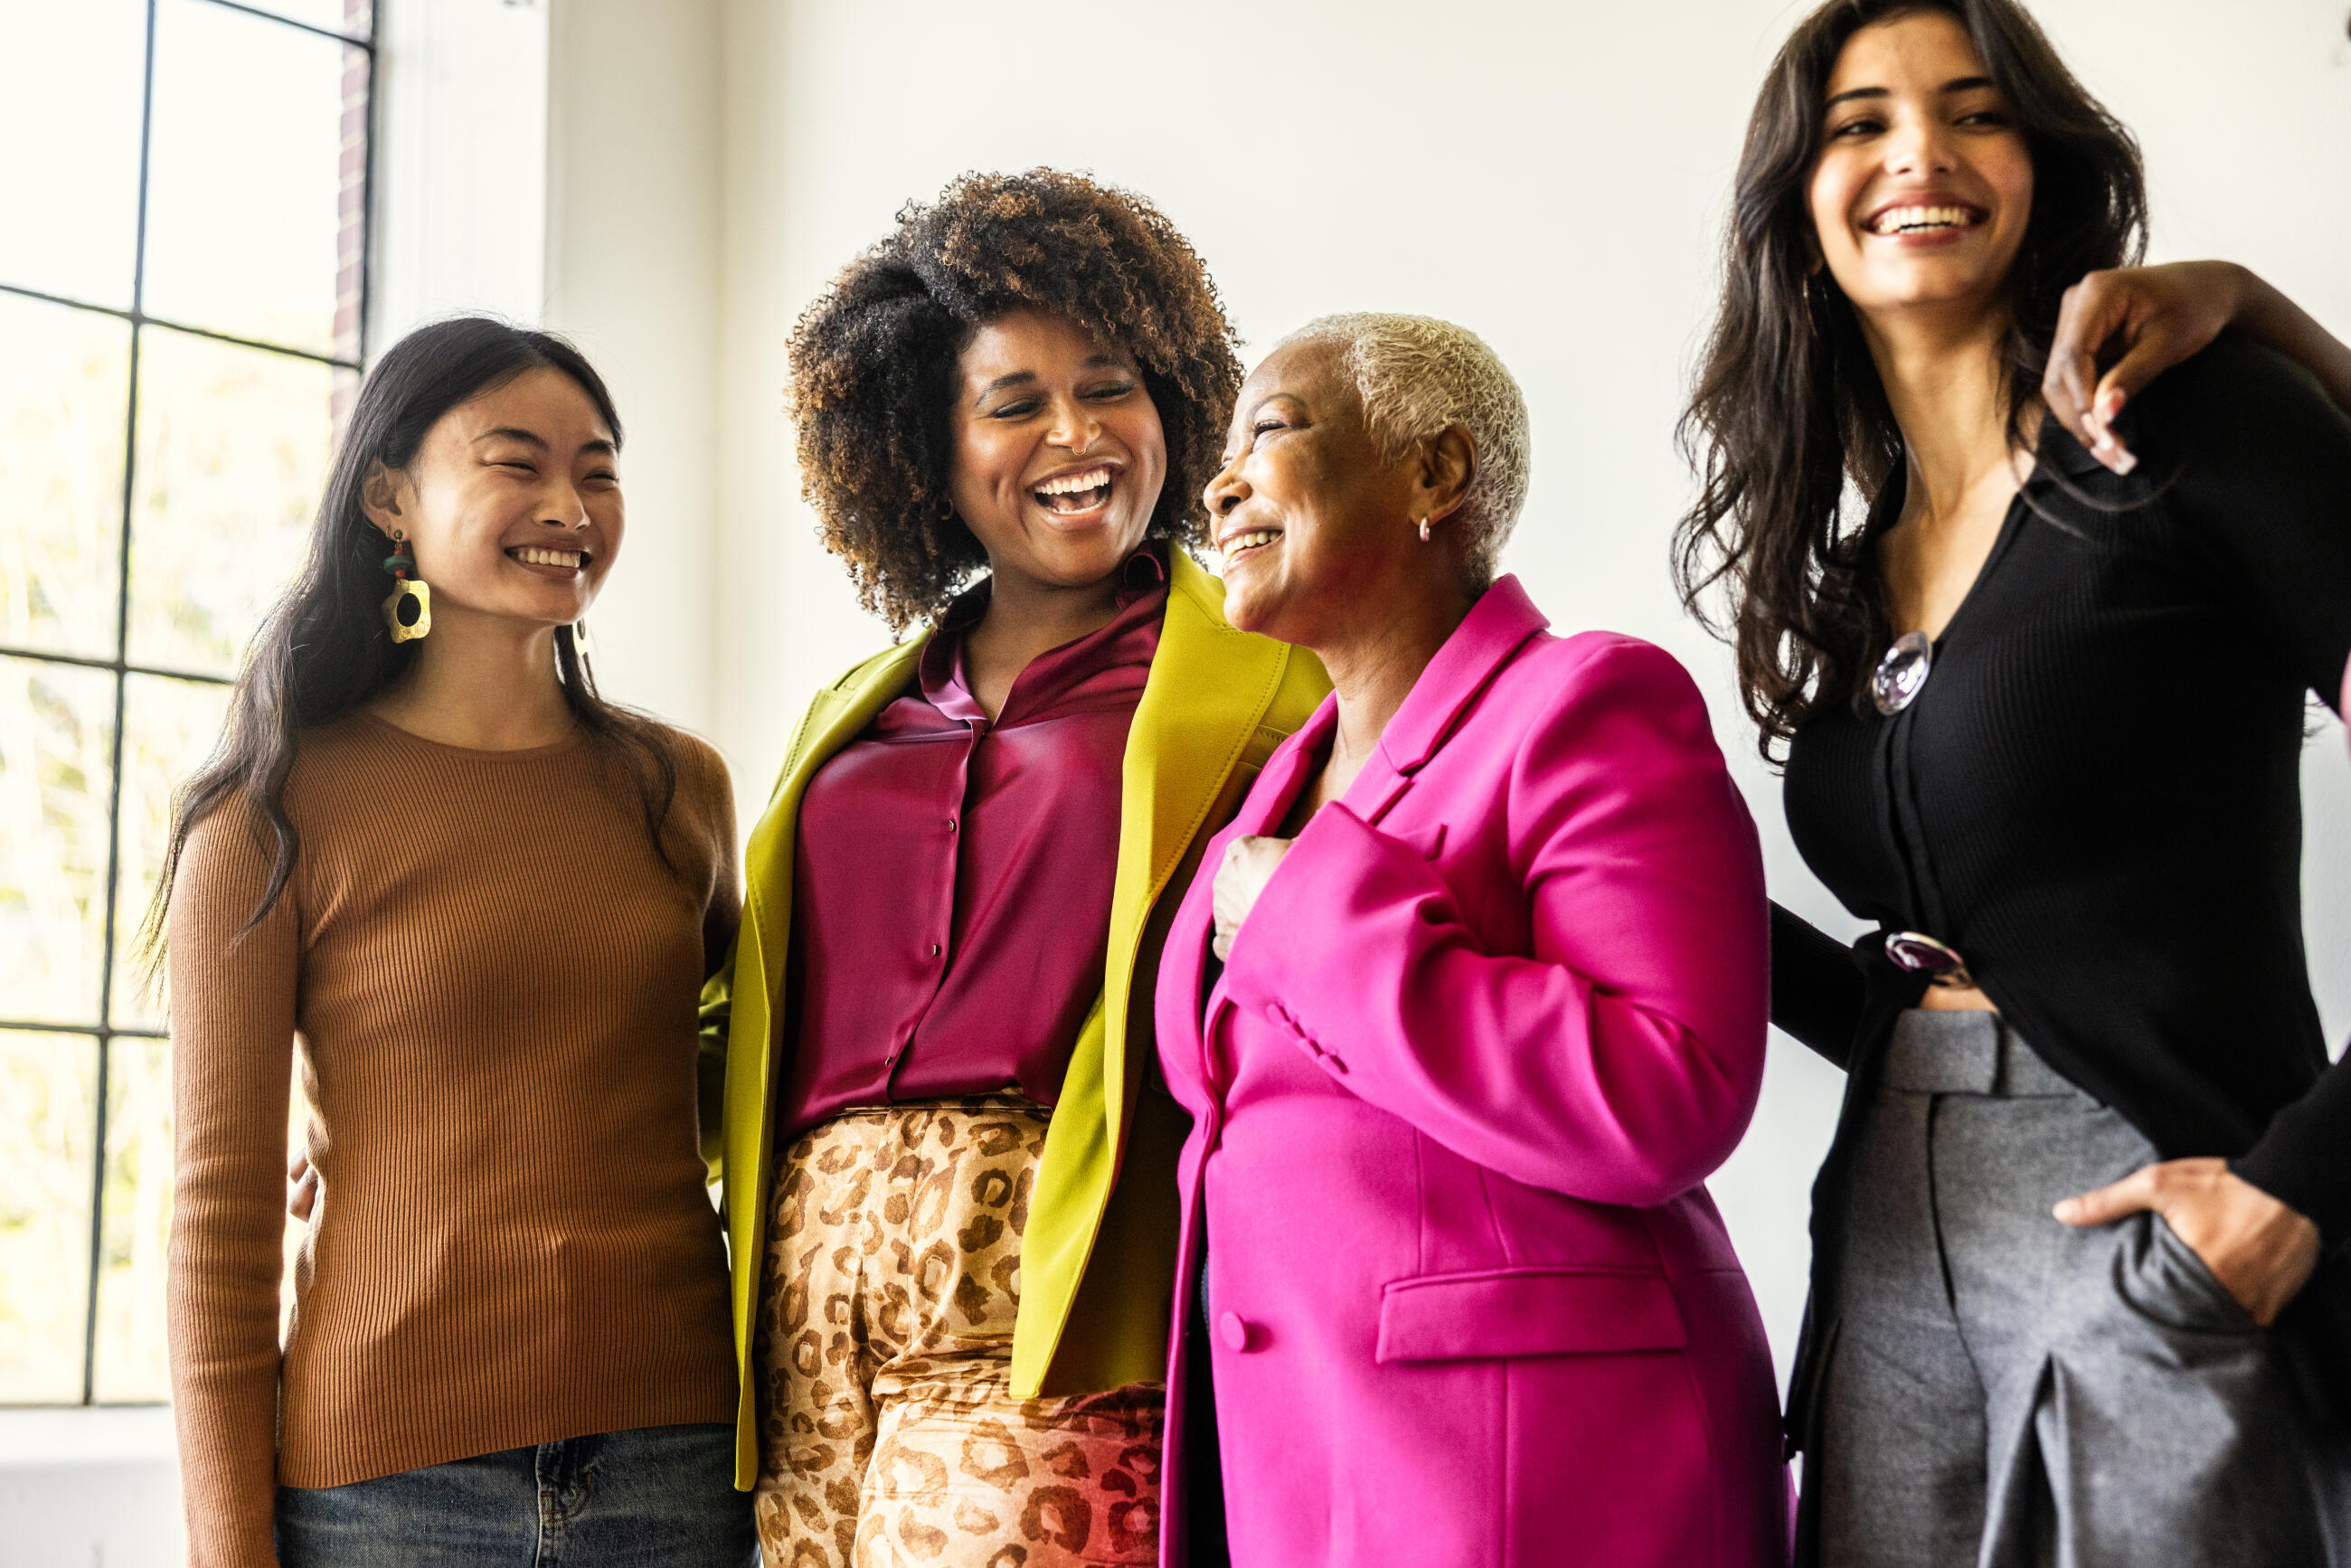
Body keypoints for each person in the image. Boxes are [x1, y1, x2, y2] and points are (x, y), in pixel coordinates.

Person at [1676, 1, 2351, 1562]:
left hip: (2158, 1210)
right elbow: (1941, 983)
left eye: (1973, 113)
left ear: (2040, 166)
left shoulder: (2186, 433)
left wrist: (2303, 1186)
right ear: (1799, 203)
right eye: (1859, 123)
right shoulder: (1843, 583)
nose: (1918, 151)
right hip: (1890, 1246)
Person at [699, 170, 1327, 1568]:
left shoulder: (1277, 681)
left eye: (1111, 386)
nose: (1075, 433)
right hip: (802, 1319)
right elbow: (735, 1011)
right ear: (926, 450)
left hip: (1052, 1296)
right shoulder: (853, 711)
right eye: (1015, 401)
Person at [1155, 313, 1789, 1567]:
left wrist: (1308, 922)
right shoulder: (1279, 774)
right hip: (1310, 1471)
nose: (1219, 482)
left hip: (1541, 1470)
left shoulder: (1588, 701)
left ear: (1434, 472)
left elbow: (1670, 1088)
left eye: (1272, 429)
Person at [157, 317, 752, 1567]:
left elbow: (733, 1085)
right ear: (390, 497)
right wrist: (227, 1549)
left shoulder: (680, 788)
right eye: (516, 460)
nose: (570, 503)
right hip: (388, 1487)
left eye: (599, 467)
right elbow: (219, 1218)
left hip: (678, 1458)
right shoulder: (267, 811)